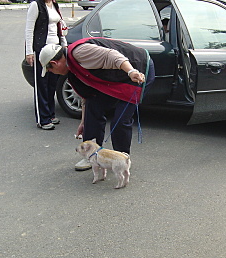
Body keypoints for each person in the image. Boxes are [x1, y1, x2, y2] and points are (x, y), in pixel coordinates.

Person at [39, 37, 156, 171]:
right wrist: (84, 121)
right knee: (93, 107)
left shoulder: (79, 53)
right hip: (116, 78)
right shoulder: (70, 69)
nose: (51, 73)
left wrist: (131, 71)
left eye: (50, 70)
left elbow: (112, 55)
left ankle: (121, 159)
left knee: (120, 120)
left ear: (55, 63)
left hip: (137, 70)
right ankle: (92, 155)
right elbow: (88, 96)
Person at [25, 0, 68, 130]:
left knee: (52, 84)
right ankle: (42, 119)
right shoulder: (36, 5)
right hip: (42, 50)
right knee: (41, 84)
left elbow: (59, 27)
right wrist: (29, 52)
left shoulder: (54, 4)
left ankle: (50, 114)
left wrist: (64, 45)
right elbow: (29, 30)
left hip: (55, 49)